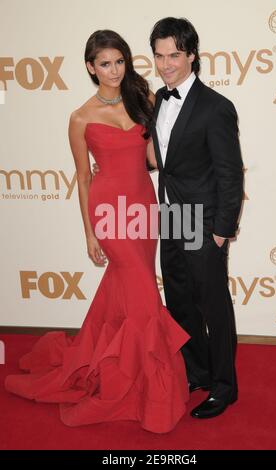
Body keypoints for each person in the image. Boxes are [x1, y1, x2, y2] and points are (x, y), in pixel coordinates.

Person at [4, 30, 190, 434]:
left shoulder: (144, 100)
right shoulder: (81, 117)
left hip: (143, 206)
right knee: (144, 294)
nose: (114, 70)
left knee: (127, 292)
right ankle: (151, 392)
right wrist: (90, 233)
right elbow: (83, 179)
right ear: (91, 67)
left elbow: (150, 158)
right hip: (108, 212)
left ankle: (105, 363)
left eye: (120, 61)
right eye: (105, 63)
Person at [94, 18, 244, 419]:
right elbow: (162, 161)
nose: (166, 64)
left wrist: (221, 231)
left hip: (203, 221)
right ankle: (198, 372)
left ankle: (225, 388)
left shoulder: (216, 107)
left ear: (192, 55)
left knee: (213, 305)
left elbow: (230, 175)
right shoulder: (157, 100)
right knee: (180, 302)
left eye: (174, 55)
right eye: (159, 56)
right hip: (170, 218)